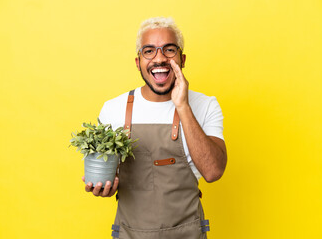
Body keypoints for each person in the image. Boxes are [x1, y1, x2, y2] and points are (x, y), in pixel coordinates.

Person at [82, 17, 227, 239]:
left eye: (169, 50)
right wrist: (105, 185)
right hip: (130, 234)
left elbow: (213, 172)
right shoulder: (113, 109)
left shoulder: (206, 105)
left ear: (183, 59)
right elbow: (104, 173)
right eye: (149, 51)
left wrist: (183, 106)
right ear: (138, 62)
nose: (159, 58)